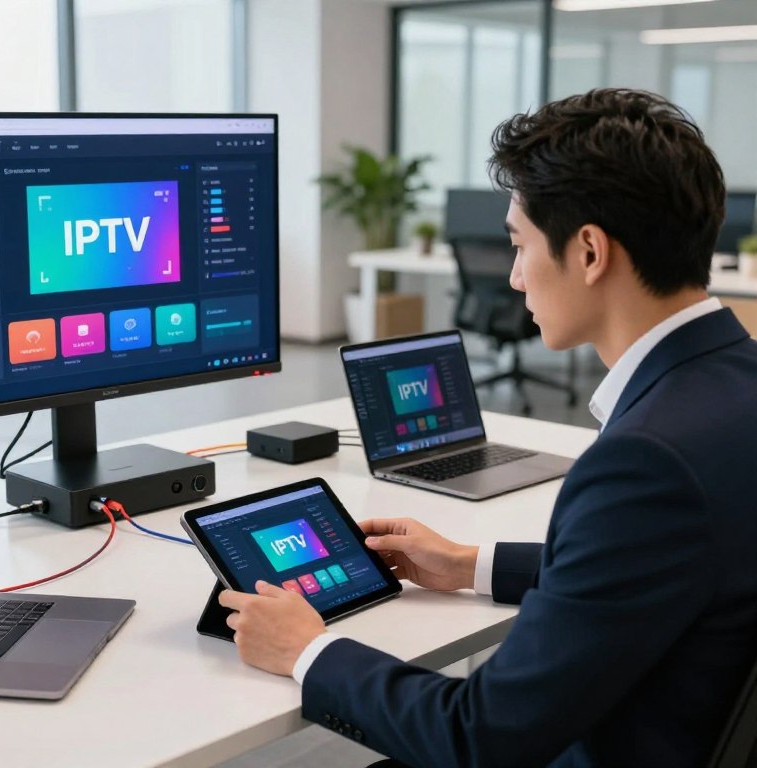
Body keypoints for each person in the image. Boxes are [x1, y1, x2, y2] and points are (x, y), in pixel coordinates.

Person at [218, 88, 757, 767]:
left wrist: (308, 649)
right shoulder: (734, 386)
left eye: (519, 244)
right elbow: (665, 564)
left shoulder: (648, 462)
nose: (514, 276)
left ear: (589, 252)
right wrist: (471, 565)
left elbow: (480, 736)